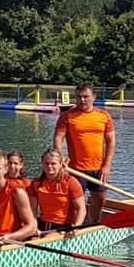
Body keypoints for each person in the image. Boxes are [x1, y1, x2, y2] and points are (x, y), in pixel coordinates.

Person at [53, 82, 115, 224]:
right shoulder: (67, 116)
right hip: (75, 169)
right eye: (79, 97)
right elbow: (58, 138)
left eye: (86, 96)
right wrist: (60, 158)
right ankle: (71, 226)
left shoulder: (104, 116)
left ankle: (93, 223)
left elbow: (111, 142)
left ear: (94, 97)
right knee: (72, 201)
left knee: (99, 199)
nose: (82, 100)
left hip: (99, 169)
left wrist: (107, 165)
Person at [31, 149, 86, 233]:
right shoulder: (36, 183)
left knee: (46, 238)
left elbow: (81, 208)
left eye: (53, 163)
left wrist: (76, 226)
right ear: (42, 164)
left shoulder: (70, 182)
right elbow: (33, 209)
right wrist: (34, 226)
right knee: (32, 240)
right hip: (42, 224)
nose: (49, 166)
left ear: (60, 164)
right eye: (46, 163)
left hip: (64, 226)